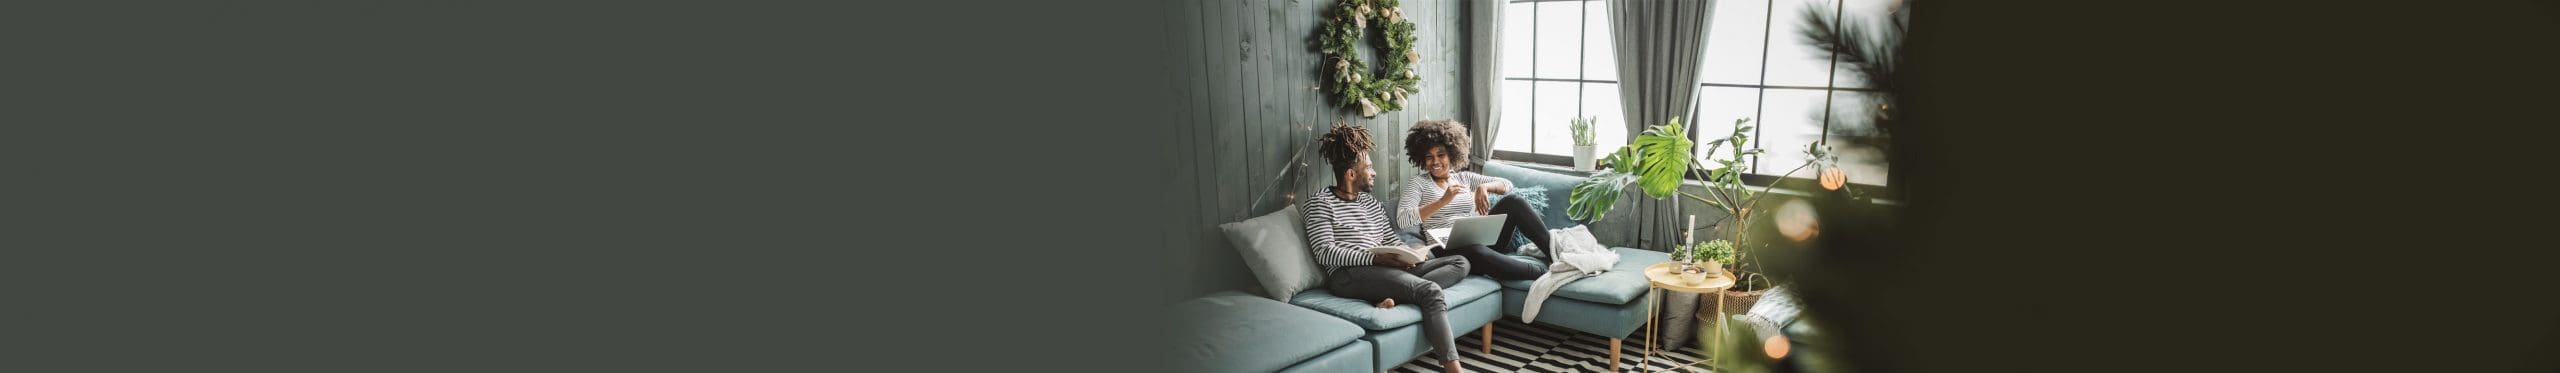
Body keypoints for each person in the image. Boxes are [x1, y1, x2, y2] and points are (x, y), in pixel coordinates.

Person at [1303, 123, 1469, 373]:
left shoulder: (1370, 203)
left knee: (1460, 262)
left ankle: (1395, 296)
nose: (1373, 172)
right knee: (1430, 291)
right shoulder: (1319, 203)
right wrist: (1376, 260)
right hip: (1349, 274)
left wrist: (1408, 254)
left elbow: (1390, 238)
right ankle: (1453, 368)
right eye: (1368, 167)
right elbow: (1325, 251)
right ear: (1350, 174)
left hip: (1385, 268)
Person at [1397, 119, 1553, 281]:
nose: (1435, 161)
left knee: (1514, 201)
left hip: (1479, 240)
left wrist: (1484, 187)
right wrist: (1443, 201)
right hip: (1446, 248)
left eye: (1441, 155)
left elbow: (1507, 185)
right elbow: (1403, 219)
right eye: (1429, 157)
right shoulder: (1418, 183)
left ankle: (1554, 256)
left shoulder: (1464, 178)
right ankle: (1543, 274)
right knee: (1476, 251)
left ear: (1452, 154)